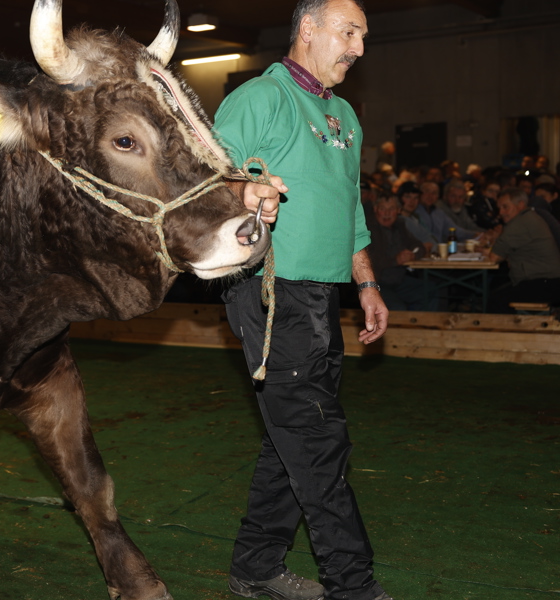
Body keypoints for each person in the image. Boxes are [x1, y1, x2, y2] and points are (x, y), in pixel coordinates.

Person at [211, 1, 393, 599]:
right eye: (350, 33)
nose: (359, 48)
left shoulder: (343, 114)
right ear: (308, 29)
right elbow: (207, 181)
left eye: (364, 36)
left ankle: (256, 566)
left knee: (290, 437)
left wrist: (364, 282)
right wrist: (248, 188)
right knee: (318, 441)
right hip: (270, 292)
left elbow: (350, 209)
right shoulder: (261, 98)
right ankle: (354, 587)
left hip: (321, 295)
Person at [485, 188, 560, 312]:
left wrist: (487, 251)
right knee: (498, 289)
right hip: (550, 280)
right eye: (499, 208)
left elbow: (494, 257)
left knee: (496, 299)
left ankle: (502, 330)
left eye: (505, 207)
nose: (501, 212)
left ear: (520, 205)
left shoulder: (519, 224)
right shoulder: (529, 217)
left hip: (546, 282)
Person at [367, 196, 429, 310]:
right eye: (382, 209)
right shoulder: (367, 229)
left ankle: (419, 325)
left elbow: (419, 245)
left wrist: (413, 254)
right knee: (398, 308)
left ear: (399, 211)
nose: (387, 213)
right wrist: (396, 260)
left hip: (399, 279)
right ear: (375, 209)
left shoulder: (400, 225)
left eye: (392, 209)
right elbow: (369, 261)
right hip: (376, 282)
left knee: (430, 292)